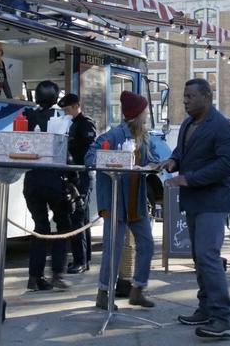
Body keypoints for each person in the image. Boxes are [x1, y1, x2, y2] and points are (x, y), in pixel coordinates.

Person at [158, 78, 230, 339]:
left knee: (208, 257)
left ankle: (222, 319)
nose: (185, 100)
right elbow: (182, 152)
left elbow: (226, 164)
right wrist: (172, 160)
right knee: (199, 258)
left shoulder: (222, 126)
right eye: (184, 96)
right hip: (194, 201)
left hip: (213, 202)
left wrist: (188, 179)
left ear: (207, 97)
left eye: (190, 96)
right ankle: (205, 308)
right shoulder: (187, 124)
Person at [85, 91, 158, 310]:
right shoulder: (111, 136)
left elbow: (154, 159)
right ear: (137, 114)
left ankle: (138, 289)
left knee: (147, 244)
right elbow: (89, 158)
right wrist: (115, 161)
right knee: (112, 248)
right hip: (115, 202)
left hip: (136, 202)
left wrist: (156, 165)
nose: (146, 115)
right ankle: (103, 293)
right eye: (144, 111)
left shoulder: (145, 137)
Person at [22, 80, 73, 291]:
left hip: (32, 178)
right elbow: (64, 152)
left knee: (40, 227)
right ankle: (57, 274)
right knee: (64, 225)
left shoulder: (27, 116)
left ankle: (35, 277)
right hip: (52, 178)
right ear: (55, 98)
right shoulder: (59, 120)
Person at [59, 93, 97, 274]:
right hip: (77, 175)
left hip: (82, 175)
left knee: (78, 218)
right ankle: (84, 258)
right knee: (82, 218)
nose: (65, 113)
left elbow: (90, 147)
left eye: (67, 109)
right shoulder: (73, 124)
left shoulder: (85, 124)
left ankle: (80, 260)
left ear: (76, 106)